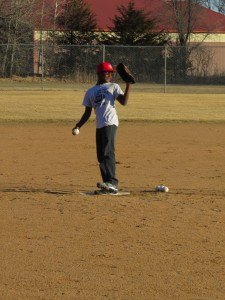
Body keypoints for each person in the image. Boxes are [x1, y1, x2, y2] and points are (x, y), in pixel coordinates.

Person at [72, 62, 131, 194]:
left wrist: (128, 83)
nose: (109, 75)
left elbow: (124, 102)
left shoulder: (113, 86)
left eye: (111, 73)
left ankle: (113, 183)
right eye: (107, 72)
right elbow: (87, 113)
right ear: (99, 74)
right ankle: (107, 183)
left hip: (110, 122)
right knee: (100, 155)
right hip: (99, 125)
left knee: (108, 152)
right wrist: (78, 125)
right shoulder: (90, 92)